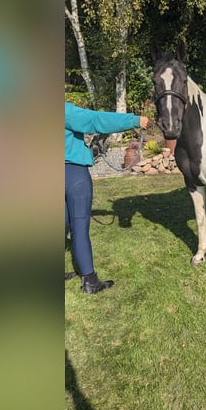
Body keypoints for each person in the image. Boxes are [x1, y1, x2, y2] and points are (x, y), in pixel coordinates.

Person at [65, 102, 148, 293]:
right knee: (79, 227)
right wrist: (134, 120)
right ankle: (90, 282)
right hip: (74, 175)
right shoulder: (63, 110)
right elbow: (95, 120)